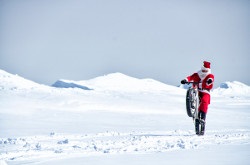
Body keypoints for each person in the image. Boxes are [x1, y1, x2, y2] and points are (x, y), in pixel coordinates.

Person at [181, 61, 214, 135]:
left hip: (205, 92)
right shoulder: (197, 74)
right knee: (195, 95)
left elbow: (211, 79)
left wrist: (209, 81)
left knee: (204, 101)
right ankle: (193, 105)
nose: (204, 71)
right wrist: (185, 80)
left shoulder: (210, 75)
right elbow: (190, 77)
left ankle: (202, 117)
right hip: (197, 91)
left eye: (206, 70)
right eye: (203, 70)